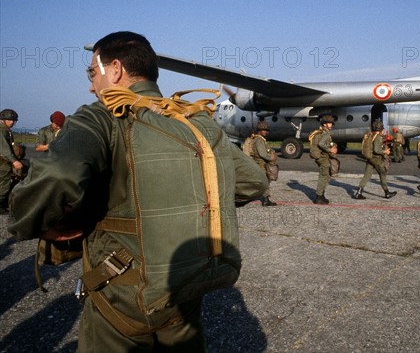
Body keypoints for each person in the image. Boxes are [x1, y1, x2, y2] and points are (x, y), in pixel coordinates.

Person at [8, 31, 267, 352]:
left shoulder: (102, 116)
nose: (91, 85)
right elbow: (253, 182)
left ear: (114, 70)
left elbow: (59, 175)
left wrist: (26, 222)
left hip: (122, 296)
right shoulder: (194, 120)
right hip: (184, 288)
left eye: (92, 72)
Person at [352, 120, 397, 200]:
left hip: (370, 158)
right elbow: (376, 150)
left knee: (366, 176)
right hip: (376, 159)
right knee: (383, 174)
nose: (384, 131)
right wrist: (385, 151)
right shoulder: (378, 137)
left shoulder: (371, 135)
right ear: (380, 129)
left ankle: (358, 193)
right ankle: (387, 193)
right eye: (383, 129)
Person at [309, 114, 337, 204]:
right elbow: (321, 144)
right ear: (324, 124)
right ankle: (319, 197)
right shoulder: (325, 133)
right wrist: (330, 149)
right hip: (322, 157)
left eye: (331, 123)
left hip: (321, 156)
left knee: (326, 175)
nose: (331, 125)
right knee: (323, 176)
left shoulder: (320, 132)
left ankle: (321, 194)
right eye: (329, 123)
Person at [0, 109, 24, 212]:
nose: (12, 122)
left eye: (13, 120)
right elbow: (4, 149)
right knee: (3, 183)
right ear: (3, 120)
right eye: (9, 120)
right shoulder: (1, 130)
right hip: (2, 162)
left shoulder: (6, 130)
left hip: (4, 161)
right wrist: (14, 161)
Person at [251, 121, 277, 206]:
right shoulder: (259, 140)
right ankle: (266, 200)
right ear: (260, 130)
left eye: (267, 130)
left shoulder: (257, 139)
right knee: (265, 181)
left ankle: (265, 198)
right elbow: (262, 153)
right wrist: (271, 158)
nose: (267, 132)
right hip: (261, 163)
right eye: (265, 130)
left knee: (263, 181)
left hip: (259, 163)